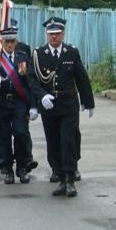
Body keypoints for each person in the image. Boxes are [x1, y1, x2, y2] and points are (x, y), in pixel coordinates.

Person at [30, 17, 94, 198]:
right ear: (47, 35)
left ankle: (70, 178)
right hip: (49, 106)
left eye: (57, 34)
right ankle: (58, 175)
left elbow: (81, 77)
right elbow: (32, 79)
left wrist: (88, 102)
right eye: (51, 34)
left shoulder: (71, 52)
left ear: (63, 34)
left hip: (68, 103)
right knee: (53, 142)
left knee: (68, 140)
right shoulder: (38, 54)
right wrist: (41, 96)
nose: (54, 38)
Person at [0, 26, 37, 184]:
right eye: (7, 41)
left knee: (21, 133)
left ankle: (21, 167)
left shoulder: (22, 56)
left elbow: (29, 81)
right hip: (1, 102)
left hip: (18, 102)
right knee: (3, 137)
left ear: (16, 42)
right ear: (1, 41)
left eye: (12, 41)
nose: (9, 44)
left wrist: (33, 105)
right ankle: (8, 168)